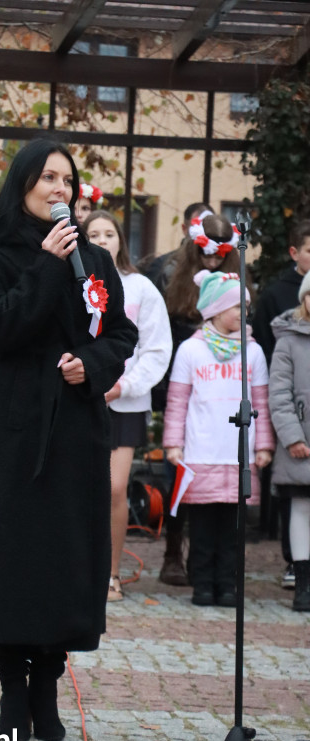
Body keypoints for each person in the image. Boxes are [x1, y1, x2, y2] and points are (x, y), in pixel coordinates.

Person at [0, 138, 137, 741]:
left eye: (68, 180)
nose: (60, 190)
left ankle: (48, 682)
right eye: (48, 178)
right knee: (14, 556)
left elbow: (120, 334)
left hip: (74, 428)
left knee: (65, 559)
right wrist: (45, 263)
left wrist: (93, 365)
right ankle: (13, 683)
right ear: (23, 184)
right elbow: (3, 326)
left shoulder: (97, 259)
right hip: (13, 425)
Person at [163, 270, 274, 606]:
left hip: (237, 454)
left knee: (232, 528)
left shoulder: (252, 353)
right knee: (202, 526)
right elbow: (177, 401)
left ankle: (228, 585)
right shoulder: (190, 351)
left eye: (245, 307)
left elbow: (261, 403)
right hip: (201, 451)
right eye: (235, 307)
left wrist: (264, 444)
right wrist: (173, 443)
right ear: (214, 309)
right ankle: (203, 585)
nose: (242, 314)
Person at [158, 210, 252, 587]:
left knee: (221, 486)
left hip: (225, 385)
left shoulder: (236, 283)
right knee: (178, 478)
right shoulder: (173, 280)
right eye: (205, 256)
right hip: (185, 380)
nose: (212, 261)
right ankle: (173, 552)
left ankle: (211, 561)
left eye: (219, 256)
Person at [82, 210, 172, 601]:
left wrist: (124, 386)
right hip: (79, 399)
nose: (102, 240)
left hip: (124, 402)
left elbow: (156, 349)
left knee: (114, 488)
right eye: (94, 234)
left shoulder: (141, 289)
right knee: (78, 487)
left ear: (121, 240)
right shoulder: (74, 282)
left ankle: (111, 574)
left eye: (109, 233)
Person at [252, 219, 310, 590]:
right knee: (298, 502)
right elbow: (276, 377)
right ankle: (297, 565)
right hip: (295, 422)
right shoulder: (277, 296)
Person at [269, 271, 310, 611]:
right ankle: (302, 580)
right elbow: (279, 394)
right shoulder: (288, 341)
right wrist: (293, 436)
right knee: (300, 508)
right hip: (300, 442)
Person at [145, 202, 214, 296]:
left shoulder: (222, 264)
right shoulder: (162, 265)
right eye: (197, 227)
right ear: (184, 229)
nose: (203, 233)